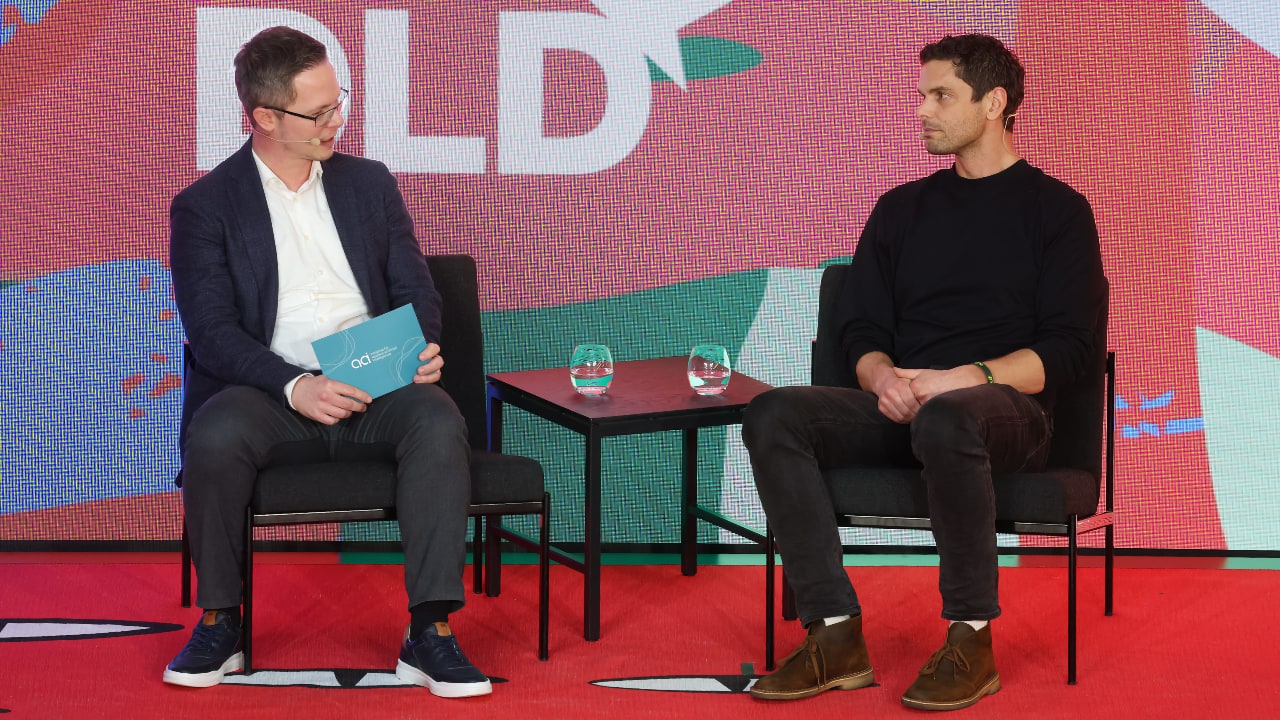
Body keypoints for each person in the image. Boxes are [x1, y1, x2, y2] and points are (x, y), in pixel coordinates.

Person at [742, 34, 1105, 711]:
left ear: (994, 103)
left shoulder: (1059, 213)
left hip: (1008, 415)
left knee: (946, 414)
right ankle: (833, 633)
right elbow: (861, 329)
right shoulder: (902, 209)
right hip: (907, 403)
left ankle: (970, 639)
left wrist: (957, 378)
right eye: (922, 94)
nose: (922, 110)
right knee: (773, 413)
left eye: (941, 95)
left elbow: (1066, 353)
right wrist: (882, 377)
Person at [164, 26, 491, 698]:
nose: (336, 121)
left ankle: (431, 632)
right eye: (318, 113)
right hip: (268, 388)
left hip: (376, 377)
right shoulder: (204, 207)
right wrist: (296, 386)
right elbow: (213, 331)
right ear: (263, 118)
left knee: (437, 421)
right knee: (216, 434)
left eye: (336, 102)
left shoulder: (369, 185)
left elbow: (416, 289)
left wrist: (417, 351)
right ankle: (222, 619)